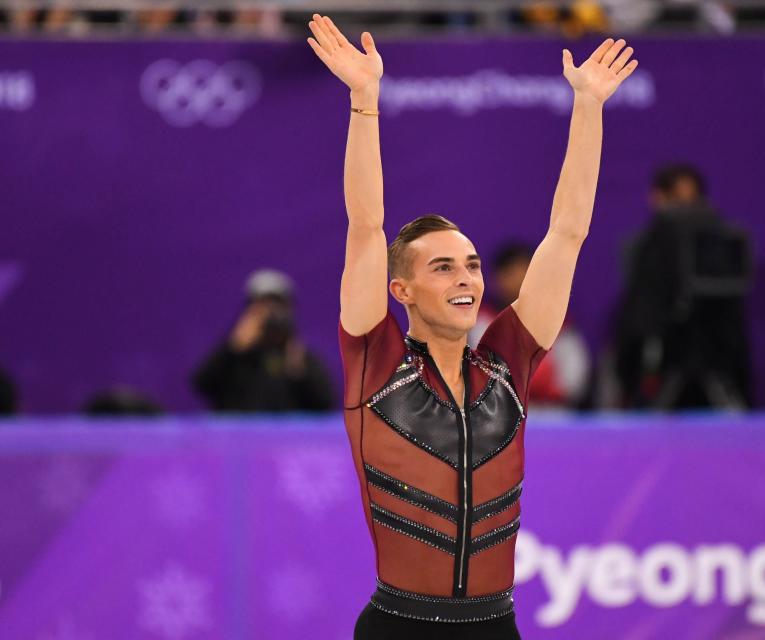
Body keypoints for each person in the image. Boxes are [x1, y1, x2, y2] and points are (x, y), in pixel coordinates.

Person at [306, 14, 638, 638]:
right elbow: (366, 226)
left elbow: (567, 235)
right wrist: (364, 101)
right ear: (400, 289)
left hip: (495, 627)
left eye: (472, 265)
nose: (466, 278)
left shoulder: (507, 361)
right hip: (399, 626)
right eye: (443, 267)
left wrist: (588, 108)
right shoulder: (373, 360)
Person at [613, 163, 752, 409]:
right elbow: (639, 317)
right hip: (663, 358)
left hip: (716, 351)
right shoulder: (646, 249)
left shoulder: (720, 248)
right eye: (677, 202)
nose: (687, 215)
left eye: (692, 202)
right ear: (657, 199)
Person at [192, 269, 335, 412]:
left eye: (277, 307)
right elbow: (201, 384)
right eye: (262, 307)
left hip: (287, 434)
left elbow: (325, 402)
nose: (270, 315)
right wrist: (231, 349)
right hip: (239, 432)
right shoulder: (234, 354)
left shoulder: (298, 355)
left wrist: (302, 373)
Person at [469, 243, 591, 408]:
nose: (520, 281)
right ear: (497, 279)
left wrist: (548, 387)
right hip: (495, 411)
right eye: (512, 274)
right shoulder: (479, 322)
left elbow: (575, 378)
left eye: (526, 274)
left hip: (552, 413)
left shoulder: (559, 325)